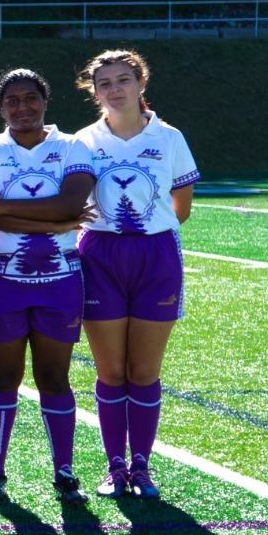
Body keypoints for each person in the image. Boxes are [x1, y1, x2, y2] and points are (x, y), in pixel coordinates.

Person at [0, 70, 97, 505]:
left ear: (45, 101)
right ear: (0, 107)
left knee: (54, 377)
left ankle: (64, 472)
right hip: (1, 279)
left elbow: (71, 203)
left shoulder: (72, 145)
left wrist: (7, 204)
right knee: (3, 376)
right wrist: (58, 223)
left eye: (31, 98)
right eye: (12, 100)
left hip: (60, 278)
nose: (23, 107)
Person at [73, 50, 198, 500]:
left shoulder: (170, 138)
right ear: (94, 91)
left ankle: (142, 466)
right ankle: (115, 465)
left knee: (143, 370)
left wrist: (146, 231)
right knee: (111, 370)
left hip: (155, 256)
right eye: (104, 83)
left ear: (141, 83)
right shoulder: (82, 141)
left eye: (122, 80)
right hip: (100, 256)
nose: (114, 89)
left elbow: (180, 207)